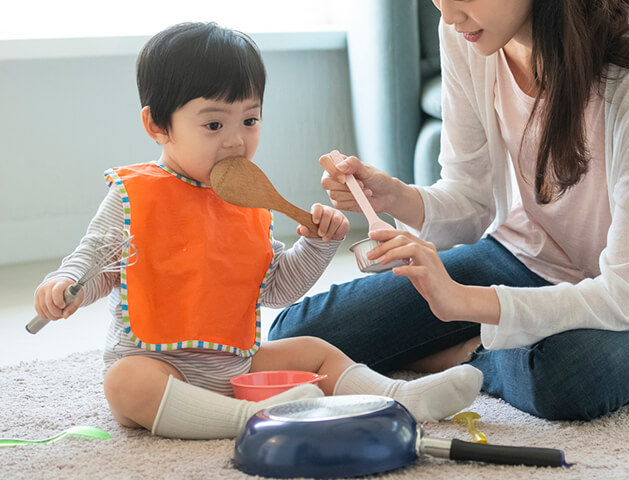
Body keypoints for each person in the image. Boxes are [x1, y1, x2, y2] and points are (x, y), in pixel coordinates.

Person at [270, 0, 629, 421]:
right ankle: (490, 340)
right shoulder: (472, 36)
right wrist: (394, 197)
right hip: (522, 255)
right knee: (294, 339)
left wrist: (462, 302)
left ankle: (468, 354)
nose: (448, 17)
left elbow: (622, 296)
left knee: (566, 374)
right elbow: (471, 198)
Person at [33, 22, 483, 440]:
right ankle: (251, 419)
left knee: (312, 348)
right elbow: (98, 258)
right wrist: (66, 285)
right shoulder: (136, 195)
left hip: (237, 364)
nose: (236, 140)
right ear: (157, 126)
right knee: (125, 383)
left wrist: (316, 244)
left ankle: (401, 397)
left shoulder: (249, 202)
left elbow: (276, 290)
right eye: (213, 125)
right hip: (160, 365)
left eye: (249, 120)